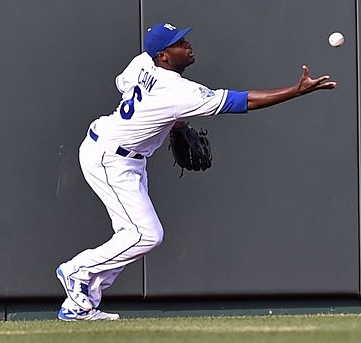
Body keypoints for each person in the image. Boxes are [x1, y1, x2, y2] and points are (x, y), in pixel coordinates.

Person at [56, 22, 337, 321]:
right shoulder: (177, 90)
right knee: (146, 235)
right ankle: (78, 270)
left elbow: (125, 87)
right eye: (180, 43)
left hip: (116, 152)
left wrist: (172, 121)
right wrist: (296, 90)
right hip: (110, 159)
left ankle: (79, 303)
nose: (188, 45)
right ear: (164, 56)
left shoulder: (141, 62)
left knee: (132, 234)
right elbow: (242, 100)